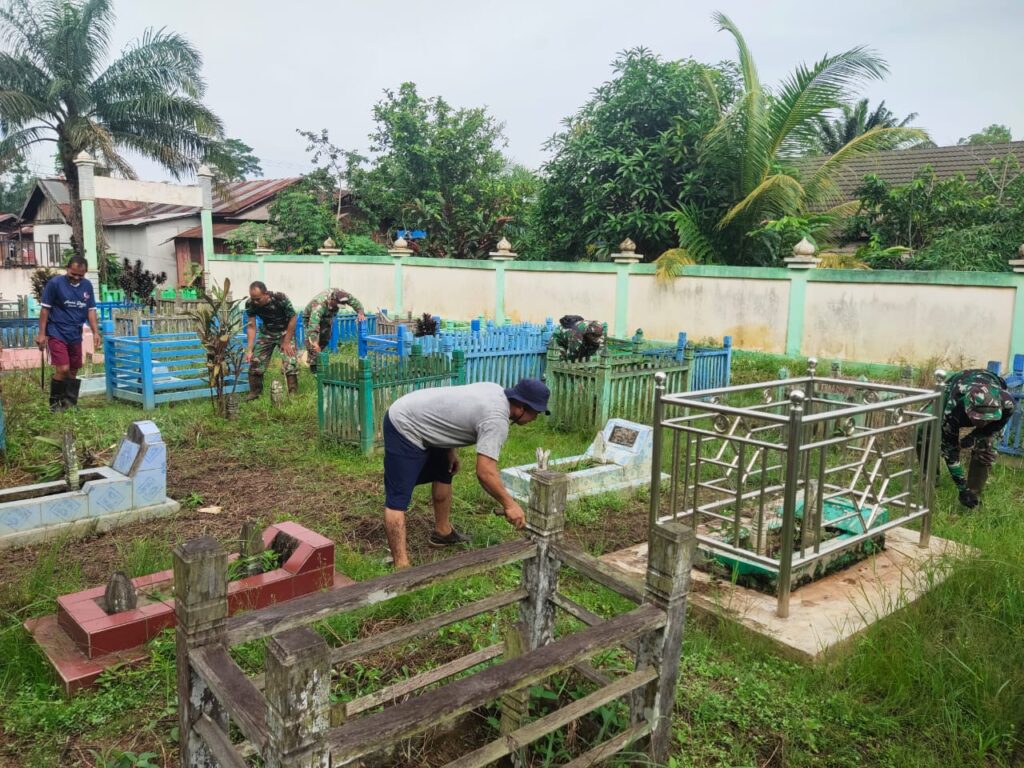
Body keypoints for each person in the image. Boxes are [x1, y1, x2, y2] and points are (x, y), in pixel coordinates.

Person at [382, 378, 550, 569]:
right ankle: (401, 566)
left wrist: (450, 449)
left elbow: (451, 412)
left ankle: (442, 532)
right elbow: (485, 472)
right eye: (535, 412)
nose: (536, 418)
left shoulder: (496, 391)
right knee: (398, 498)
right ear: (521, 407)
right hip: (405, 423)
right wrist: (510, 504)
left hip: (425, 419)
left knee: (444, 472)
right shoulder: (496, 420)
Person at [940, 368, 1016, 508]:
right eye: (979, 419)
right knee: (925, 430)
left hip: (991, 380)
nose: (983, 423)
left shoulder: (1008, 403)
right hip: (956, 383)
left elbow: (995, 427)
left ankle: (974, 495)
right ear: (968, 411)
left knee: (986, 449)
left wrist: (975, 436)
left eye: (988, 419)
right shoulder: (953, 409)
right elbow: (950, 452)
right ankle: (929, 480)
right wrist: (962, 488)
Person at [35, 256, 98, 410]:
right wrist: (42, 334)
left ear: (85, 273)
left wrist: (96, 332)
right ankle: (55, 404)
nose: (76, 278)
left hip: (75, 332)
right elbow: (45, 309)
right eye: (73, 274)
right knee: (63, 368)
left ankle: (69, 403)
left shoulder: (87, 286)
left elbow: (91, 310)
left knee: (74, 369)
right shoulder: (55, 284)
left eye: (80, 275)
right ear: (67, 268)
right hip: (56, 331)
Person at [244, 281, 298, 399]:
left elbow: (293, 317)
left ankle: (293, 393)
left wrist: (287, 341)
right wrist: (249, 349)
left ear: (266, 293)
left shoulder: (280, 298)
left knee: (290, 361)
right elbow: (251, 326)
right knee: (256, 361)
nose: (255, 302)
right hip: (267, 332)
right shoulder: (250, 304)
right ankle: (255, 393)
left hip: (285, 332)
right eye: (253, 299)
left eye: (258, 299)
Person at [301, 288, 365, 374]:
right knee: (312, 343)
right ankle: (314, 368)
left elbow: (355, 302)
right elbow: (313, 325)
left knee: (326, 337)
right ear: (333, 300)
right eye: (338, 305)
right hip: (310, 317)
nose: (340, 308)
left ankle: (318, 357)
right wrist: (314, 342)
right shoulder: (319, 305)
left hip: (328, 315)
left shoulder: (344, 296)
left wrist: (360, 312)